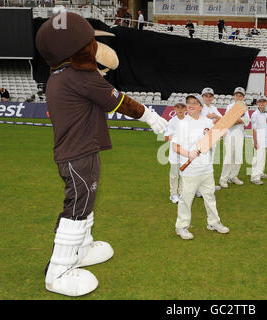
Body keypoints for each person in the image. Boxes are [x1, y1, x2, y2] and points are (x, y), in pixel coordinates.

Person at [35, 12, 168, 297]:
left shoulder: (60, 75)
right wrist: (153, 118)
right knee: (78, 206)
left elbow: (100, 102)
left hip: (80, 150)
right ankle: (58, 270)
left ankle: (81, 249)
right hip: (78, 153)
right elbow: (119, 101)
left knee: (86, 201)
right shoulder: (80, 77)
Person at [172, 94, 230, 240]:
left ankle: (213, 222)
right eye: (189, 103)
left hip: (207, 168)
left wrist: (221, 133)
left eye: (194, 102)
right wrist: (188, 153)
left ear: (200, 107)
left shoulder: (207, 122)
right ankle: (181, 226)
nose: (190, 105)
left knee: (210, 197)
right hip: (190, 170)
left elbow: (214, 136)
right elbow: (174, 146)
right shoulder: (183, 123)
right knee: (186, 199)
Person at [219, 87, 250, 188]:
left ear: (243, 97)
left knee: (238, 156)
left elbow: (247, 121)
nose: (238, 97)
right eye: (237, 95)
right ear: (234, 96)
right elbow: (228, 121)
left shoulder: (244, 107)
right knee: (229, 156)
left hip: (239, 133)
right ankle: (223, 179)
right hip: (229, 133)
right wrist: (238, 120)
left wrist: (237, 119)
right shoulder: (230, 106)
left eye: (240, 95)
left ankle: (233, 176)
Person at [200, 87, 223, 195]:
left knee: (210, 163)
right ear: (202, 97)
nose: (208, 98)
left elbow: (223, 120)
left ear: (213, 97)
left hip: (213, 138)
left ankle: (210, 185)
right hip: (202, 139)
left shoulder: (214, 108)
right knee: (202, 164)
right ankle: (200, 187)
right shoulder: (200, 108)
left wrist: (214, 116)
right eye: (206, 96)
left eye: (210, 96)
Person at [165, 99, 187, 204]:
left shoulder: (189, 120)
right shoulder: (172, 122)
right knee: (174, 175)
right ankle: (173, 194)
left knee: (184, 175)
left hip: (185, 153)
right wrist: (178, 134)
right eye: (178, 107)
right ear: (174, 109)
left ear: (186, 108)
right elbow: (166, 137)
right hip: (174, 154)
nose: (180, 109)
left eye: (182, 107)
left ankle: (181, 193)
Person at [250, 96, 267, 185]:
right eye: (260, 101)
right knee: (258, 158)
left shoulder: (265, 114)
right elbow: (254, 129)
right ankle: (254, 177)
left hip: (264, 138)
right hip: (258, 138)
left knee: (262, 158)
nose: (262, 103)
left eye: (264, 101)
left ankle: (260, 172)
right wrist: (255, 141)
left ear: (266, 103)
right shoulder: (255, 114)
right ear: (257, 103)